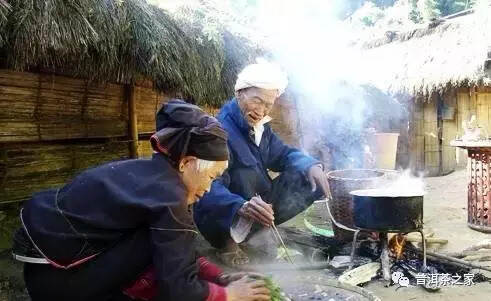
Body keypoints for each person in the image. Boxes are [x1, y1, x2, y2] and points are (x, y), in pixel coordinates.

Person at [11, 99, 271, 301]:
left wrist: (218, 275)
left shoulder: (150, 176)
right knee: (165, 256)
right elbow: (178, 290)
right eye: (212, 177)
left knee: (164, 238)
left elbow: (175, 249)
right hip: (61, 285)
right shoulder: (168, 196)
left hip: (46, 276)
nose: (209, 187)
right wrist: (228, 294)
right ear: (187, 163)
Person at [193, 62, 330, 266]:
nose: (261, 110)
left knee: (307, 176)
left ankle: (254, 232)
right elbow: (207, 189)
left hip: (256, 206)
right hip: (225, 217)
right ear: (240, 93)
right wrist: (240, 206)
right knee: (243, 175)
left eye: (268, 104)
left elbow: (282, 154)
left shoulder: (261, 129)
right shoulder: (218, 131)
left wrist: (311, 165)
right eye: (257, 101)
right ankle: (227, 242)